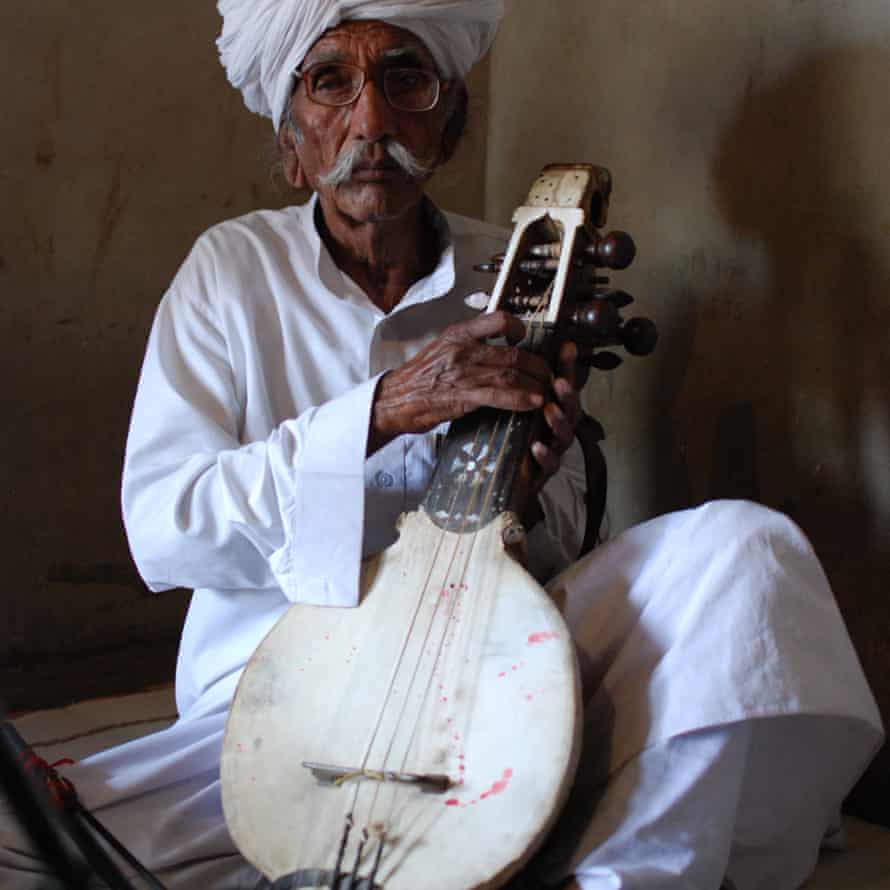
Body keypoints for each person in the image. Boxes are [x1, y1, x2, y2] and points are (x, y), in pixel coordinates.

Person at [1, 1, 883, 888]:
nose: (372, 122)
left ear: (451, 115)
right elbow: (165, 528)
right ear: (292, 132)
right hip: (282, 693)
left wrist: (536, 487)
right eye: (330, 82)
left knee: (745, 550)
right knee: (36, 838)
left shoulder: (511, 267)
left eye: (405, 79)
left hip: (488, 667)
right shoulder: (229, 274)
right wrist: (382, 410)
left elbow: (560, 538)